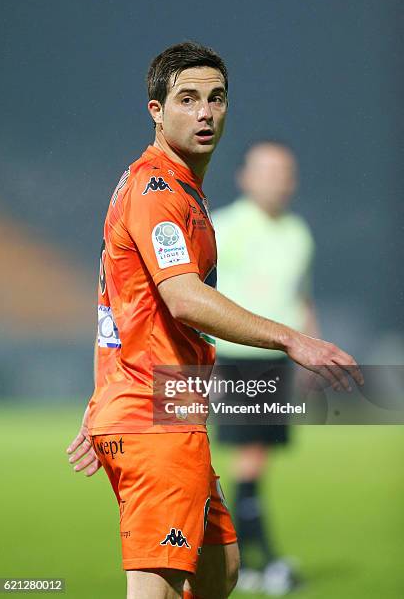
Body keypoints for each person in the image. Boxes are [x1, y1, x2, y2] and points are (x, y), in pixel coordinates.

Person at [66, 42, 363, 599]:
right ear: (156, 110)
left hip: (164, 402)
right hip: (152, 415)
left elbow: (119, 301)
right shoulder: (157, 190)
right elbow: (182, 297)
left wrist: (102, 395)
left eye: (216, 99)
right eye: (187, 99)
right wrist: (293, 339)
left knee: (220, 568)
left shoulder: (181, 191)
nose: (204, 112)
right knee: (156, 584)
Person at [212, 141, 319, 594]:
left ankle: (247, 562)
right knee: (247, 459)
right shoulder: (222, 226)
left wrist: (311, 350)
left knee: (255, 461)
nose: (277, 178)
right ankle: (261, 558)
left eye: (285, 170)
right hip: (235, 357)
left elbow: (301, 298)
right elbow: (197, 294)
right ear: (245, 177)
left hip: (278, 358)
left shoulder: (298, 232)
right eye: (267, 169)